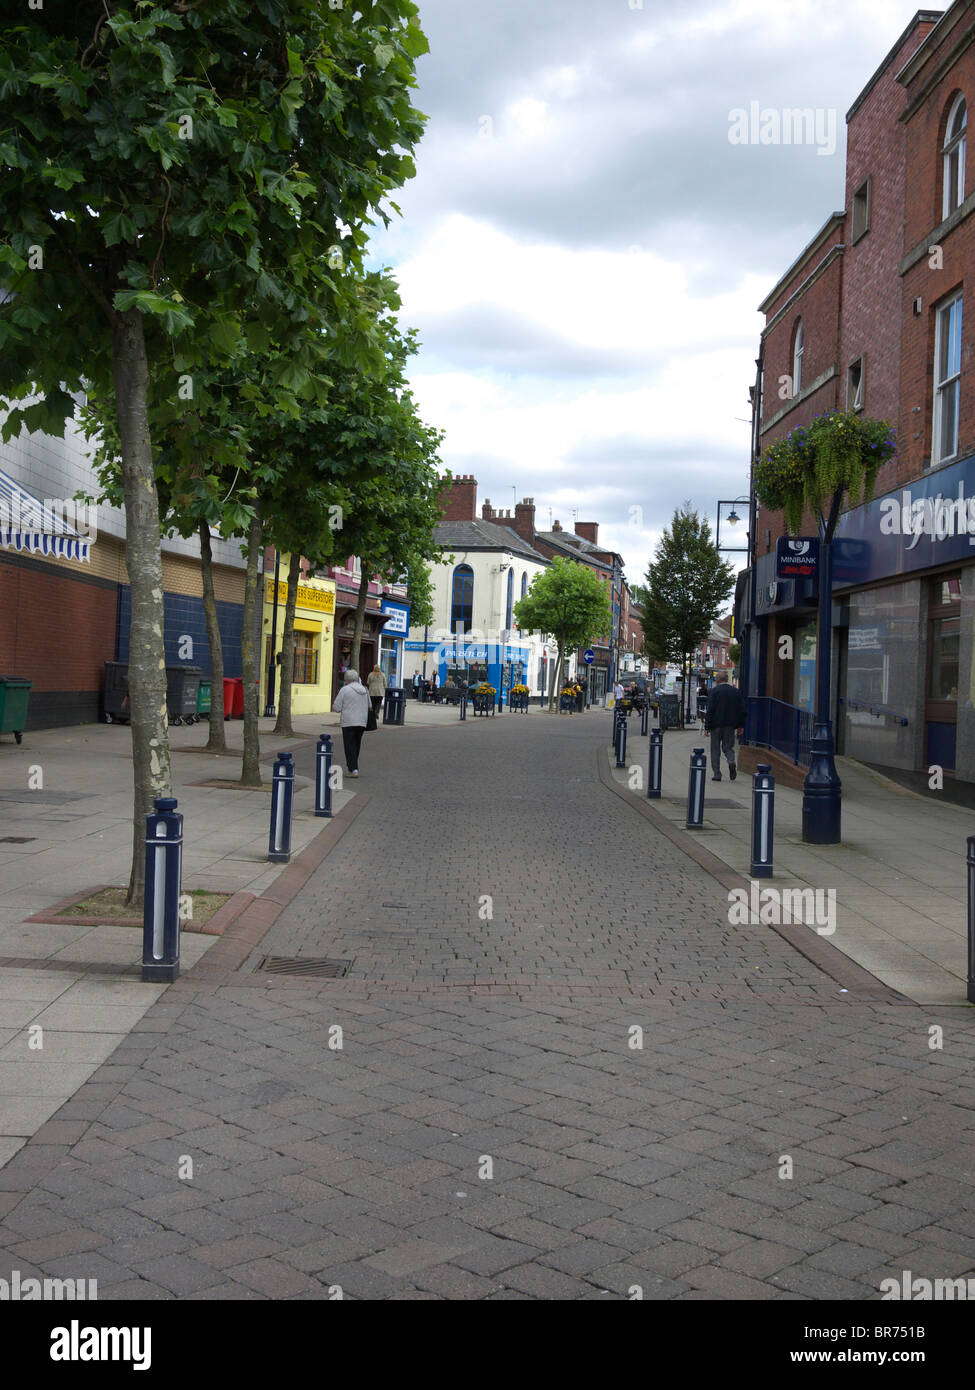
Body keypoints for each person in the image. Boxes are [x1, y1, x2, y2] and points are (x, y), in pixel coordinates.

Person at [704, 672, 747, 781]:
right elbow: (742, 710)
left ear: (717, 680)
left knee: (715, 749)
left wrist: (707, 726)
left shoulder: (714, 692)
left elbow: (710, 710)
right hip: (730, 726)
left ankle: (717, 774)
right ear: (726, 679)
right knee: (728, 747)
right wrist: (741, 725)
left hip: (716, 725)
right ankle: (731, 761)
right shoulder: (735, 692)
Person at [333, 669, 370, 777]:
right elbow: (370, 705)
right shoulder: (364, 689)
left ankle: (353, 769)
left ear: (346, 680)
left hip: (348, 722)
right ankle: (353, 767)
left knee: (349, 746)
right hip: (362, 722)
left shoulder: (345, 690)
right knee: (356, 745)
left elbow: (337, 707)